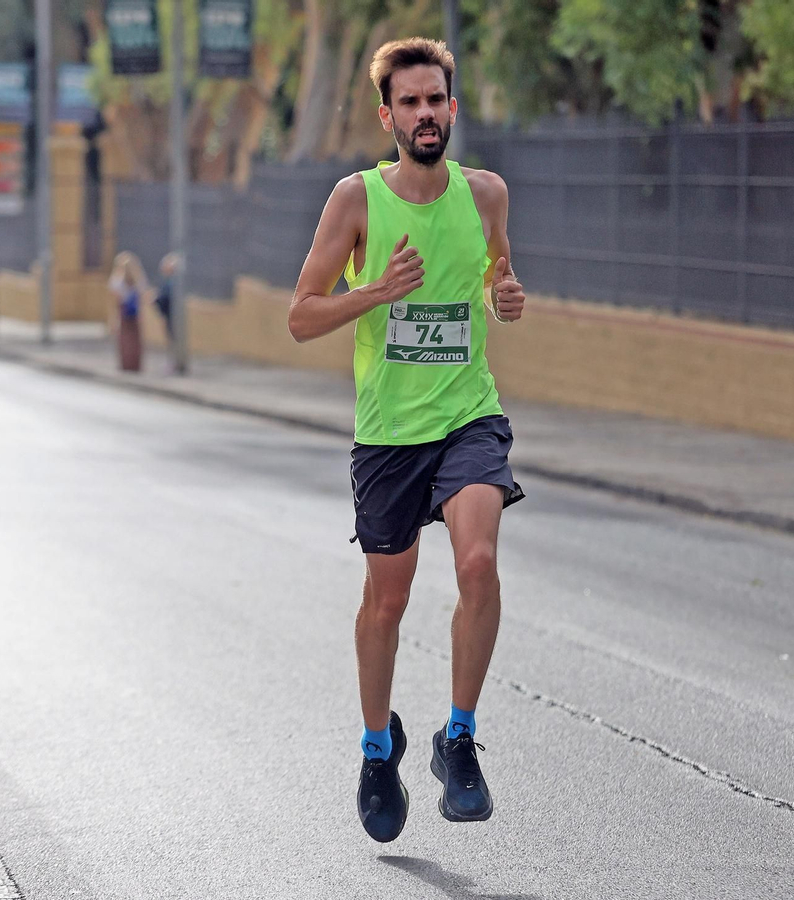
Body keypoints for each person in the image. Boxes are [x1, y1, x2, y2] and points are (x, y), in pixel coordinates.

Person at [287, 37, 527, 843]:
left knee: (479, 563)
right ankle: (375, 749)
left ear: (452, 109)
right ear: (387, 115)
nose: (426, 114)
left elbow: (494, 272)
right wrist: (374, 292)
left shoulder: (487, 194)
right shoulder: (355, 201)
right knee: (386, 602)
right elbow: (300, 316)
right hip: (389, 434)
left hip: (467, 415)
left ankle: (458, 739)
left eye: (437, 100)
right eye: (411, 103)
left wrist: (504, 295)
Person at [109, 251, 148, 373]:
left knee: (124, 339)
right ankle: (135, 364)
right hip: (135, 312)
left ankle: (126, 364)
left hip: (124, 311)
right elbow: (142, 295)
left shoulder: (117, 280)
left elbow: (115, 297)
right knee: (135, 339)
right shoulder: (139, 279)